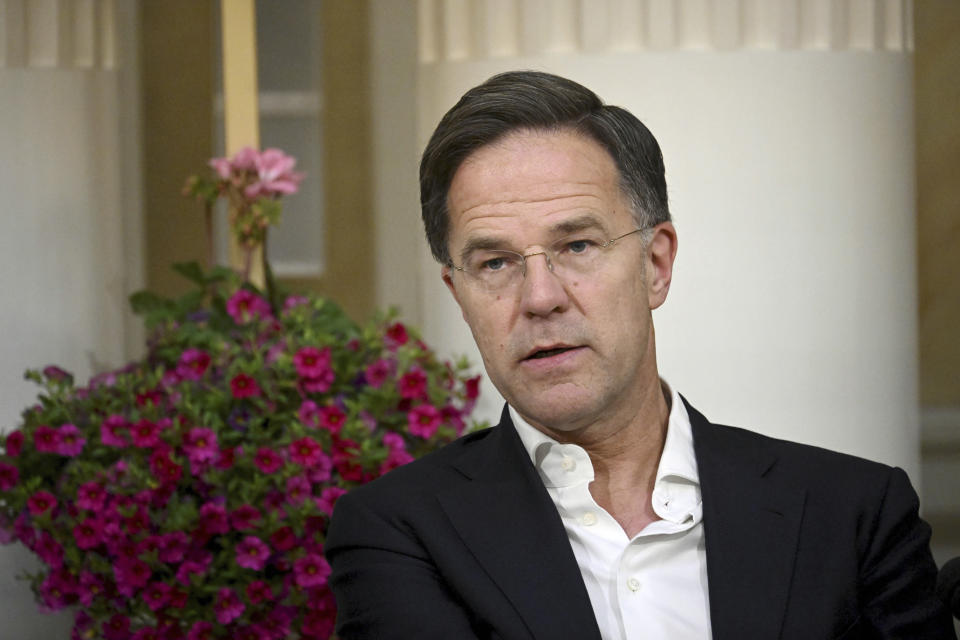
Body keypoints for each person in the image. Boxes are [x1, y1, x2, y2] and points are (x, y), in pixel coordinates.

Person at [325, 70, 955, 639]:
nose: (540, 298)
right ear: (459, 294)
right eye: (495, 262)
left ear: (656, 264)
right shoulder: (398, 533)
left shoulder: (851, 514)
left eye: (576, 245)